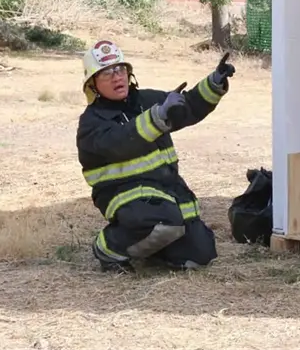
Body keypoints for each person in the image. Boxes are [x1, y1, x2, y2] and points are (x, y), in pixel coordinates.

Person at [76, 39, 235, 273]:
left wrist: (214, 84)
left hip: (164, 190)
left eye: (120, 70)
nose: (117, 77)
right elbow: (122, 142)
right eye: (106, 73)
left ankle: (155, 247)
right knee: (164, 220)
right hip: (123, 193)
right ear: (93, 84)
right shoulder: (91, 123)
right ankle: (108, 248)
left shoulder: (146, 100)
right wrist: (157, 117)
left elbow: (187, 107)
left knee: (200, 254)